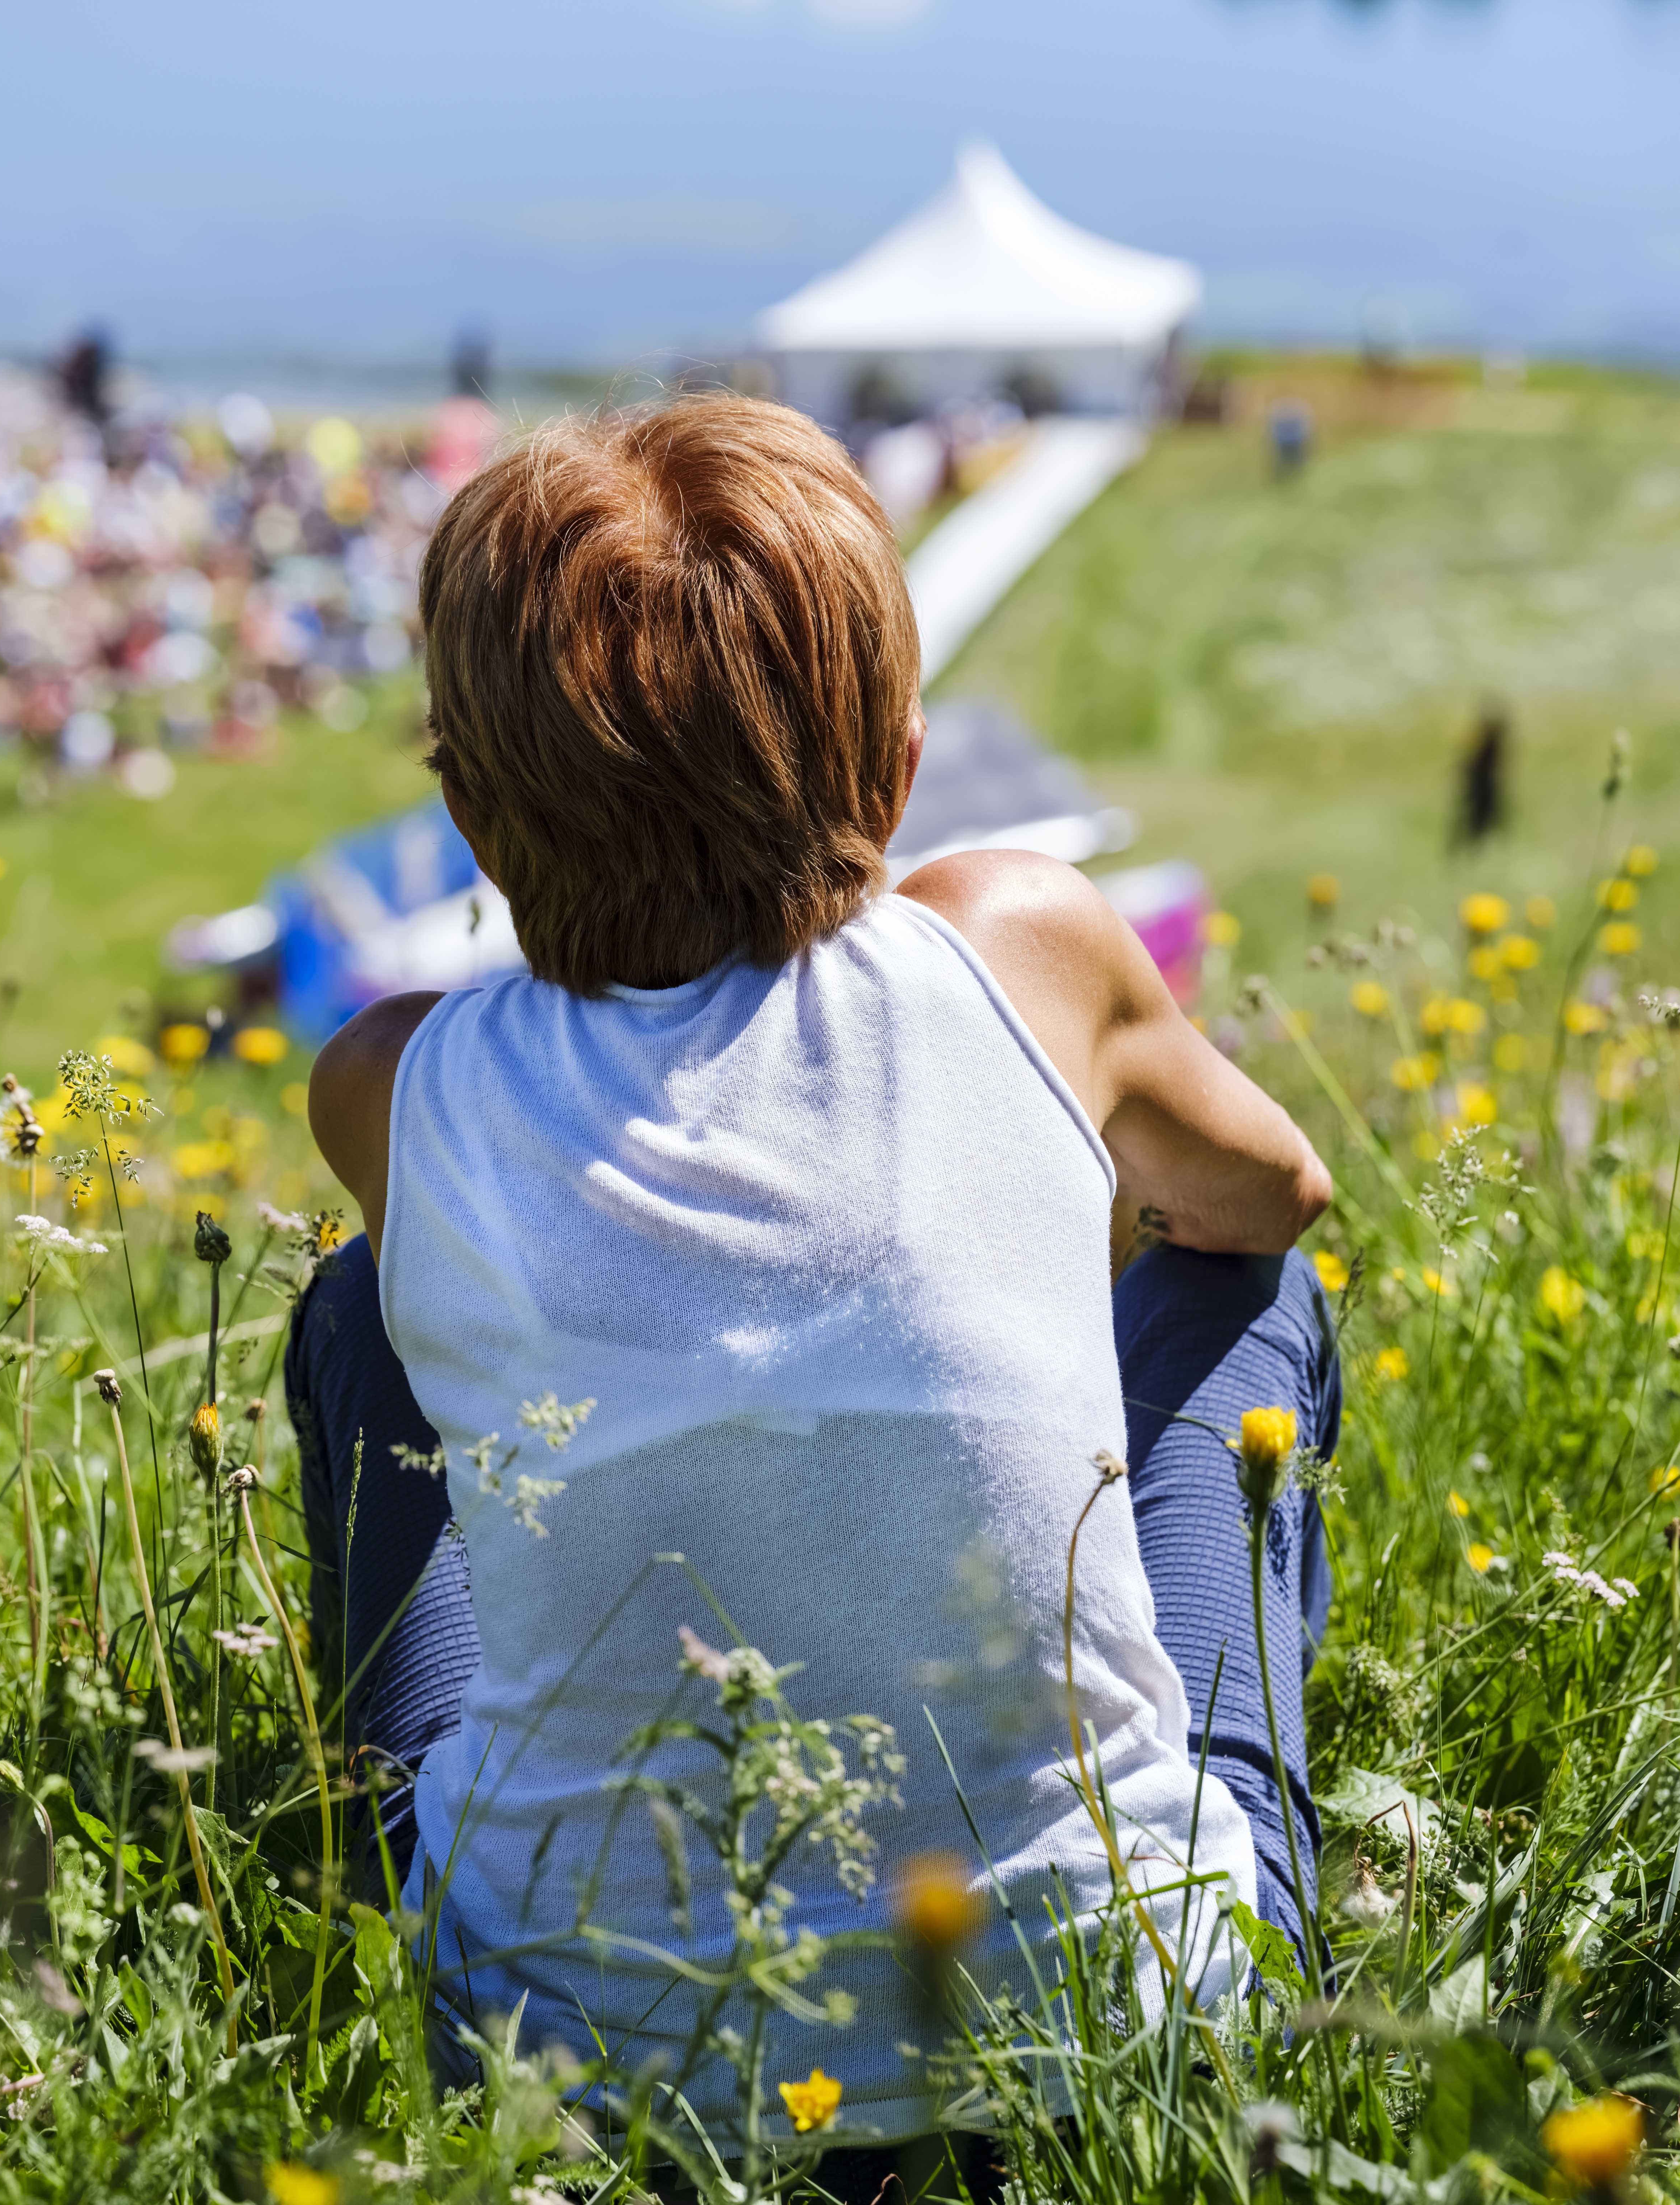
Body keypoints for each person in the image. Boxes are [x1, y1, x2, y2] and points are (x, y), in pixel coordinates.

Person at [287, 396, 1336, 2175]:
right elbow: (1270, 1192)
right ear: (904, 764)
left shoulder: (393, 1082)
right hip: (1119, 2027)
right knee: (1253, 1301)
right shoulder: (1023, 937)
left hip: (570, 2055)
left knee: (360, 1311)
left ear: (467, 806)